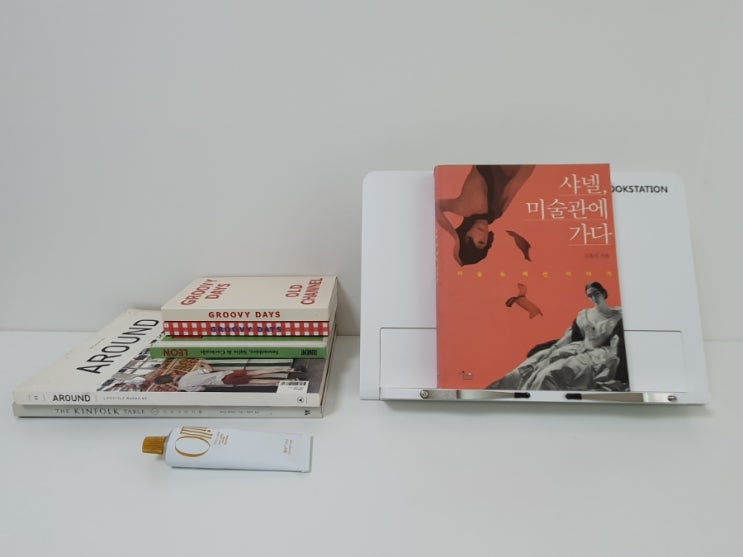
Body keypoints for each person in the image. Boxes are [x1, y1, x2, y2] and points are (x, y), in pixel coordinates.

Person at [487, 281, 628, 391]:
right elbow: (570, 336)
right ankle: (500, 393)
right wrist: (553, 348)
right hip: (577, 347)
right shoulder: (584, 314)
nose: (594, 298)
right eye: (590, 295)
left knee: (549, 373)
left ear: (603, 293)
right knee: (535, 361)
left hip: (597, 354)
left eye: (596, 293)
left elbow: (618, 344)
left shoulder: (619, 315)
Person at [436, 165, 535, 265]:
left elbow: (435, 206)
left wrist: (455, 237)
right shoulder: (497, 213)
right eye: (481, 242)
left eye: (469, 239)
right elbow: (516, 184)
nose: (479, 236)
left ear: (464, 233)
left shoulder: (464, 207)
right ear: (487, 241)